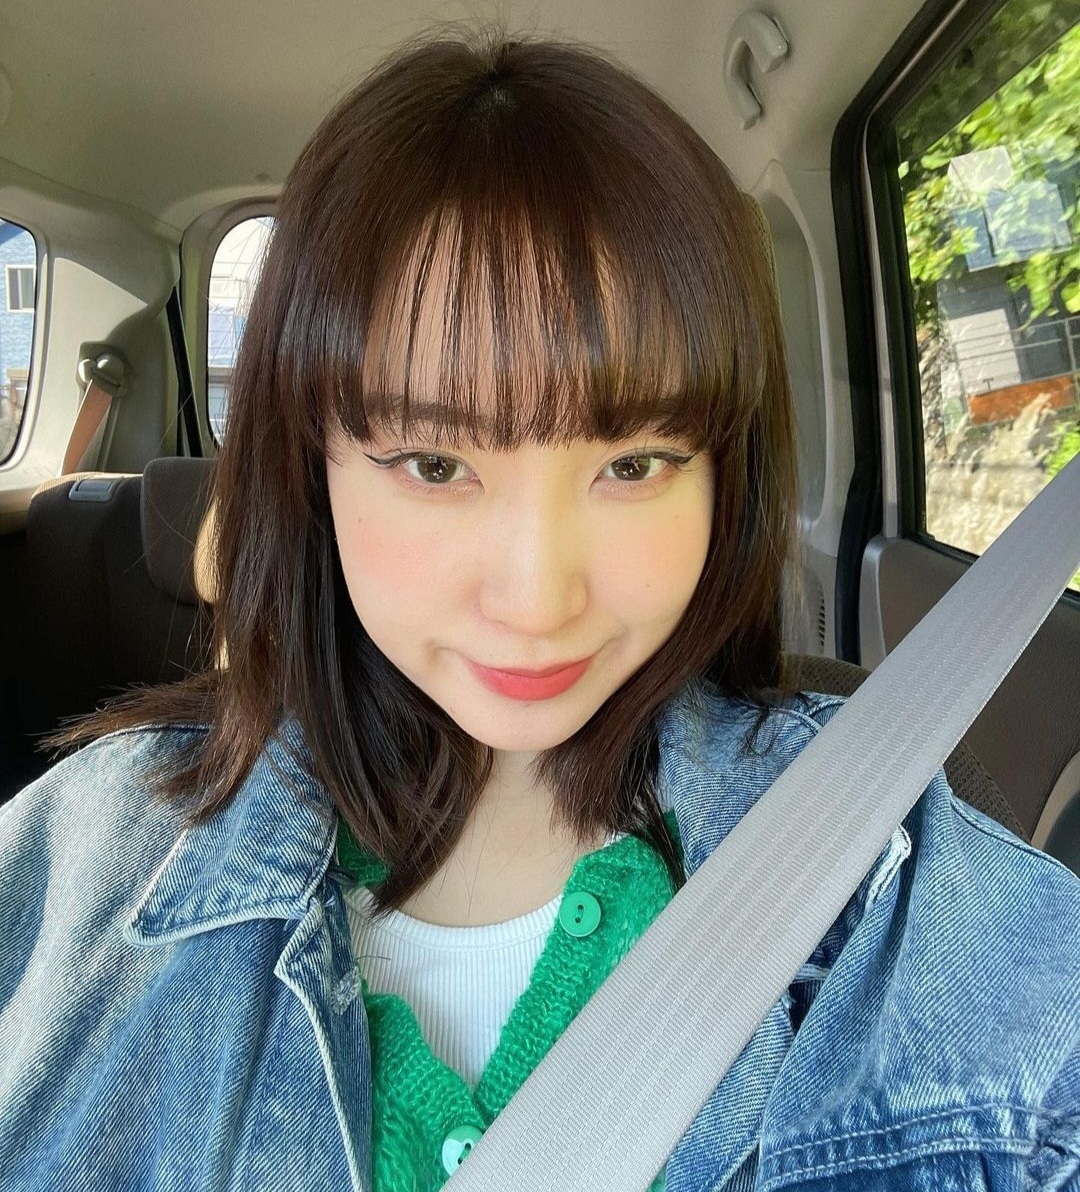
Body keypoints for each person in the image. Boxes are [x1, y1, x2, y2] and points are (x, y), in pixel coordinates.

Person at [2, 24, 1078, 1192]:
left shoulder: (885, 872)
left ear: (723, 473)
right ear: (312, 467)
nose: (536, 596)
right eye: (433, 462)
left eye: (635, 463)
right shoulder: (80, 862)